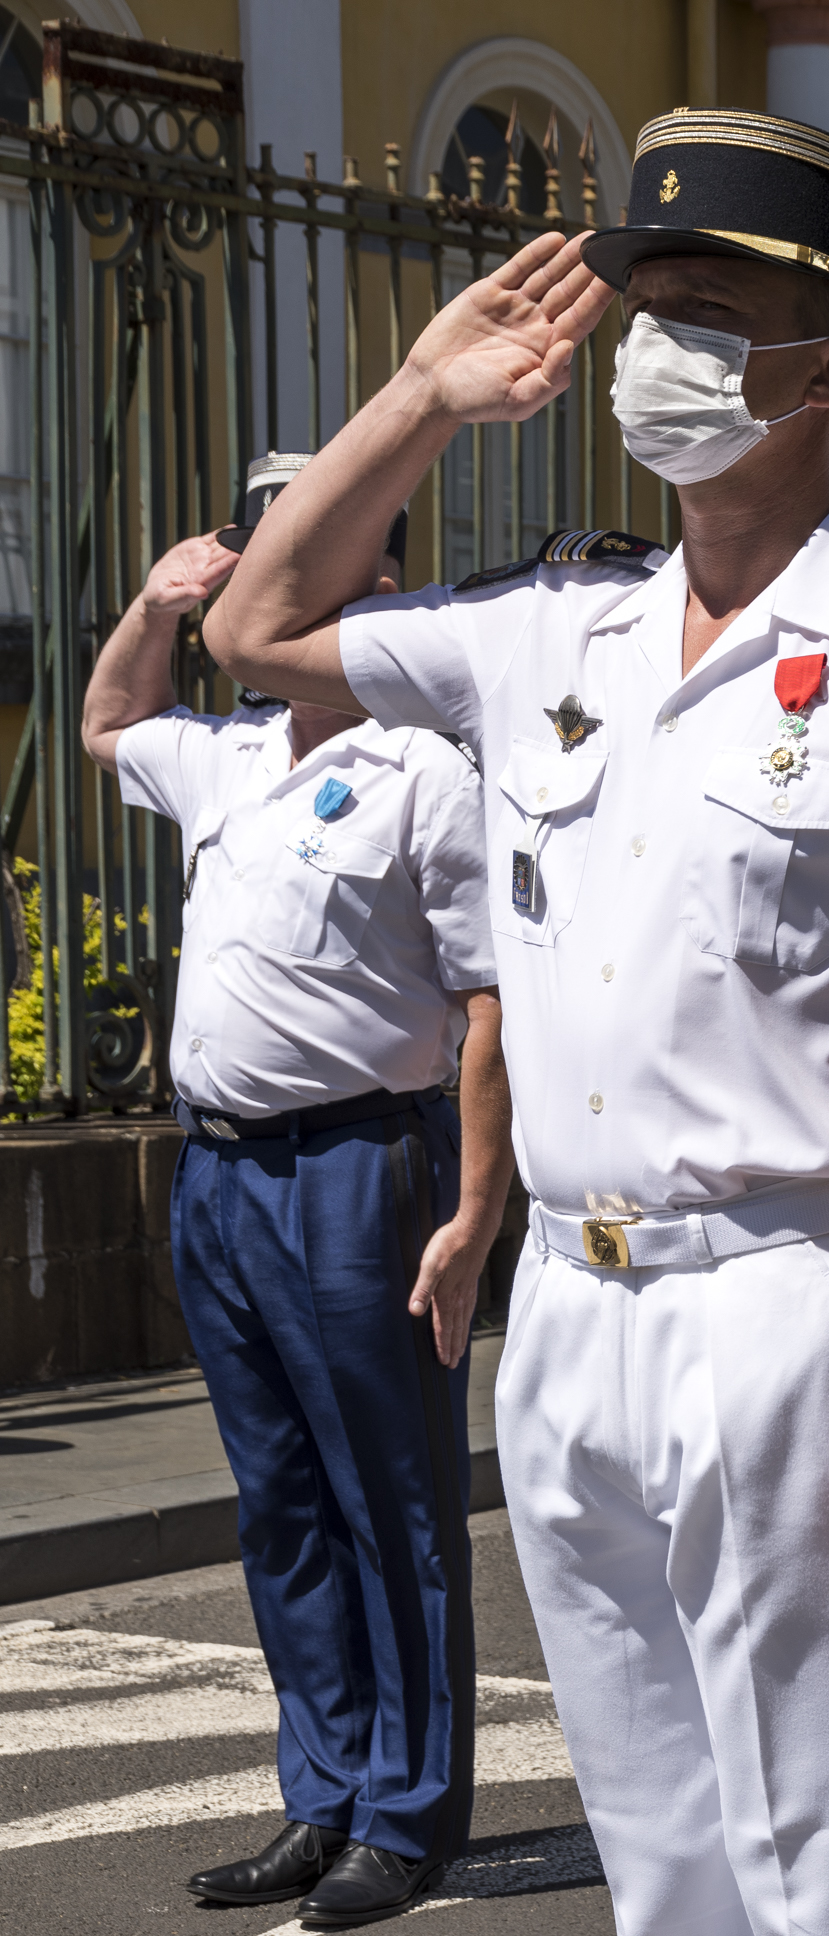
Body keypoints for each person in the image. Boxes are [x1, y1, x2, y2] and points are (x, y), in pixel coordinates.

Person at [202, 111, 829, 1934]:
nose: (648, 343)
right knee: (662, 1870)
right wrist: (426, 398)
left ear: (826, 370)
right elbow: (259, 624)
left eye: (702, 311)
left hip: (803, 1301)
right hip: (577, 1323)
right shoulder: (548, 632)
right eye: (641, 302)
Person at [84, 465, 513, 1927]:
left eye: (306, 556)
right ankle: (321, 1794)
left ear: (378, 591)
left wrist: (474, 1206)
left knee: (389, 1500)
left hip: (357, 1169)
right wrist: (151, 605)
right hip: (221, 1174)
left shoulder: (431, 768)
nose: (264, 584)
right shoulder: (233, 753)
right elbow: (106, 727)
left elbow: (487, 1004)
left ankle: (407, 1813)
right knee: (280, 1506)